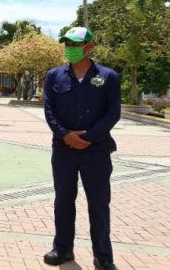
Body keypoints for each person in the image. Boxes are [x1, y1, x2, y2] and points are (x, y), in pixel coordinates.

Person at [43, 27, 120, 270]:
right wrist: (66, 135)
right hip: (64, 149)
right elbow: (49, 110)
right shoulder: (54, 76)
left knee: (98, 203)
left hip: (96, 150)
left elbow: (113, 113)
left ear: (89, 46)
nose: (70, 49)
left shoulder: (108, 76)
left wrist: (89, 137)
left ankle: (103, 256)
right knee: (63, 201)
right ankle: (63, 249)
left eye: (75, 45)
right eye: (67, 44)